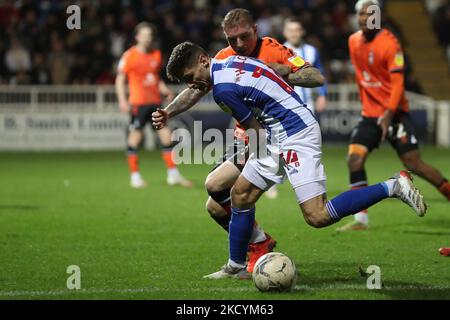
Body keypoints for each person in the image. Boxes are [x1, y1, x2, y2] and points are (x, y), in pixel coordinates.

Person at [154, 41, 427, 279]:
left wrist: (255, 164)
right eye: (185, 81)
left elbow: (254, 132)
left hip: (295, 132)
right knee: (240, 195)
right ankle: (236, 265)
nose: (191, 84)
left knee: (317, 216)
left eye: (190, 76)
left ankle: (393, 186)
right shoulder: (227, 62)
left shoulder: (222, 91)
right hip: (280, 129)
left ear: (203, 61)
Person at [160, 8, 325, 273]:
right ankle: (258, 242)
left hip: (271, 133)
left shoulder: (274, 50)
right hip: (246, 136)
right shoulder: (224, 57)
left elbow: (316, 77)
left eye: (243, 37)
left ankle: (250, 251)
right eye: (231, 39)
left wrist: (283, 72)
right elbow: (197, 88)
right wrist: (169, 111)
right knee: (215, 206)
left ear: (255, 31)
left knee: (218, 186)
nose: (238, 44)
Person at [337, 0, 450, 232]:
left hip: (395, 114)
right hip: (370, 115)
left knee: (414, 164)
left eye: (371, 15)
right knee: (354, 159)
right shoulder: (353, 41)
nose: (365, 19)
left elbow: (398, 84)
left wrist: (388, 114)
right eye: (362, 14)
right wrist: (368, 105)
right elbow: (362, 76)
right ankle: (361, 220)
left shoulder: (390, 43)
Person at [115, 22, 192, 188]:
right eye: (143, 35)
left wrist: (164, 90)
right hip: (138, 102)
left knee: (166, 135)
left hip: (155, 101)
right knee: (136, 137)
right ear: (137, 37)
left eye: (149, 35)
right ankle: (135, 177)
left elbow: (155, 79)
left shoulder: (156, 55)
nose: (147, 38)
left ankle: (173, 175)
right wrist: (122, 100)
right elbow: (120, 80)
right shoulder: (129, 56)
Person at [283, 16, 327, 114]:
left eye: (297, 30)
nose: (294, 34)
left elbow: (321, 73)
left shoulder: (311, 51)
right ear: (284, 32)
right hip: (287, 107)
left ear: (303, 31)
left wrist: (322, 95)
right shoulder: (279, 52)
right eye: (290, 30)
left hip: (309, 105)